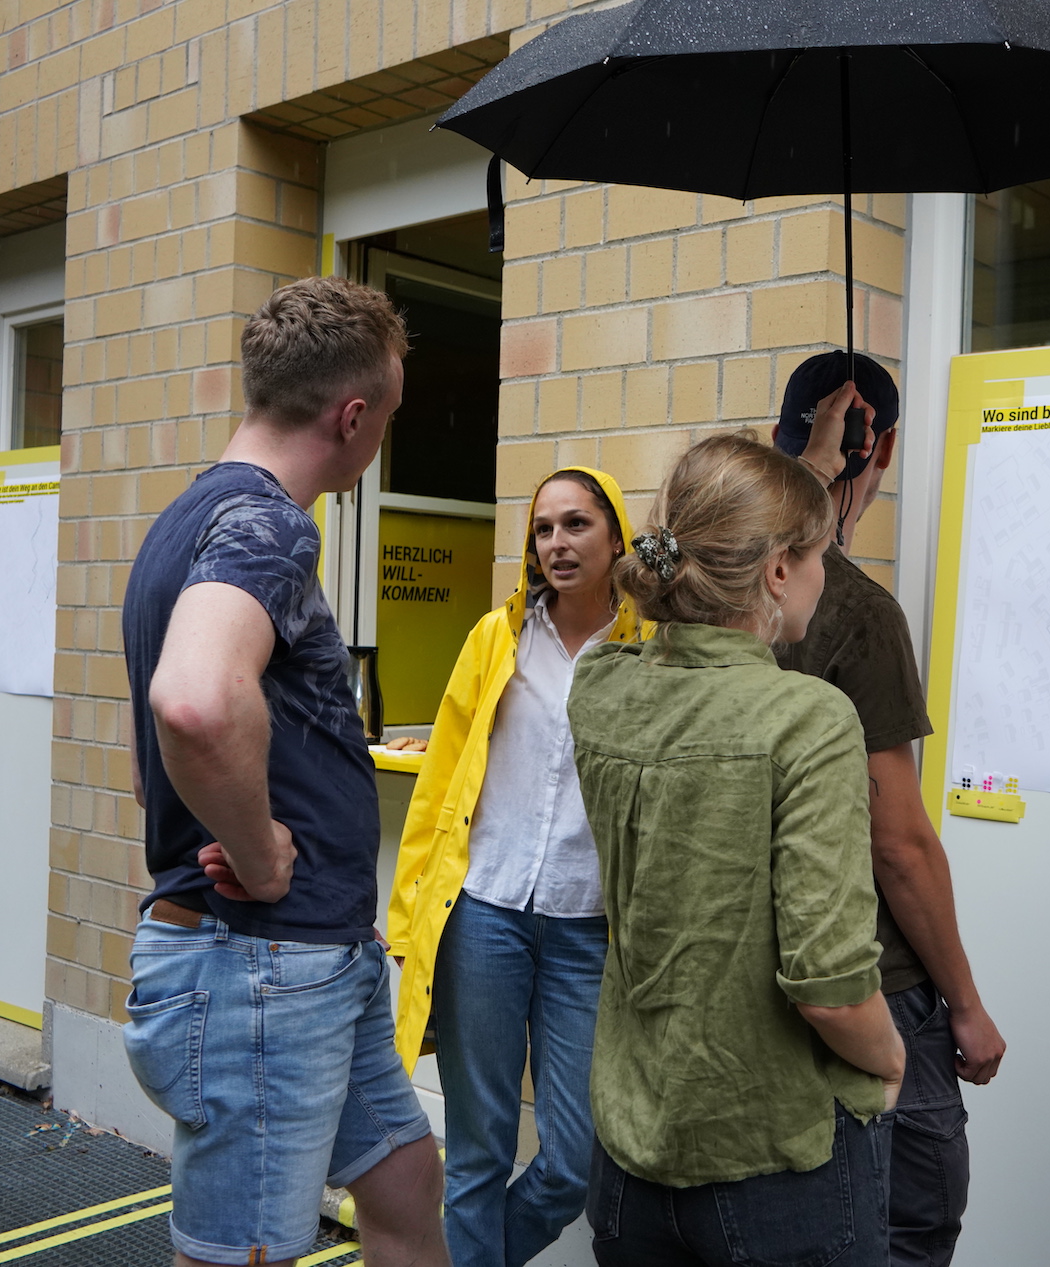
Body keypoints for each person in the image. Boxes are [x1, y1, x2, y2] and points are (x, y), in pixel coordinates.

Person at [120, 276, 449, 1267]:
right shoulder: (267, 524)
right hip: (261, 961)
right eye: (387, 416)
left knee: (403, 1177)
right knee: (239, 1254)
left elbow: (159, 761)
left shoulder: (188, 521)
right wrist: (262, 855)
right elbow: (193, 700)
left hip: (306, 961)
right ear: (353, 418)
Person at [567, 430, 907, 1267]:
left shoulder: (599, 683)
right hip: (773, 1161)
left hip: (631, 1150)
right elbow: (828, 987)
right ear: (778, 571)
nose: (827, 578)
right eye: (821, 554)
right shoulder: (807, 718)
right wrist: (892, 1060)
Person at [772, 351, 1007, 1267]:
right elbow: (899, 842)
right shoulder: (857, 613)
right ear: (887, 446)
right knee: (908, 1222)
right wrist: (968, 1003)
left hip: (753, 968)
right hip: (874, 982)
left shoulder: (691, 602)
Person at [386, 467, 646, 1267]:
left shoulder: (648, 652)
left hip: (586, 930)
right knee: (476, 1155)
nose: (558, 544)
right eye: (543, 529)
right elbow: (443, 784)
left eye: (576, 525)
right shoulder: (496, 639)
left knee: (572, 1162)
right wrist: (406, 916)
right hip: (486, 915)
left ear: (615, 535)